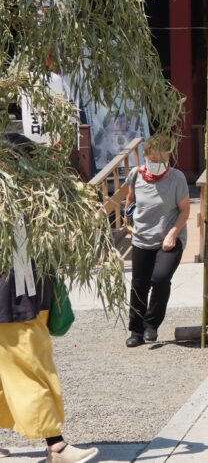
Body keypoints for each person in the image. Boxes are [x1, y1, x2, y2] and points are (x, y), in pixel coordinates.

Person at [0, 133, 98, 463]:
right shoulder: (9, 197)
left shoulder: (32, 193)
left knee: (19, 368)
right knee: (32, 369)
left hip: (29, 293)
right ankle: (55, 444)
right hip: (13, 298)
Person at [124, 135, 190, 348]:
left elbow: (185, 209)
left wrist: (173, 233)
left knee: (160, 278)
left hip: (169, 237)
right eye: (151, 158)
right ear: (145, 156)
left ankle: (151, 324)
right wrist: (129, 218)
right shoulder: (136, 175)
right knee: (138, 284)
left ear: (168, 156)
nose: (155, 163)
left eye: (159, 159)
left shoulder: (176, 178)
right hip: (142, 237)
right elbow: (130, 199)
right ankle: (136, 330)